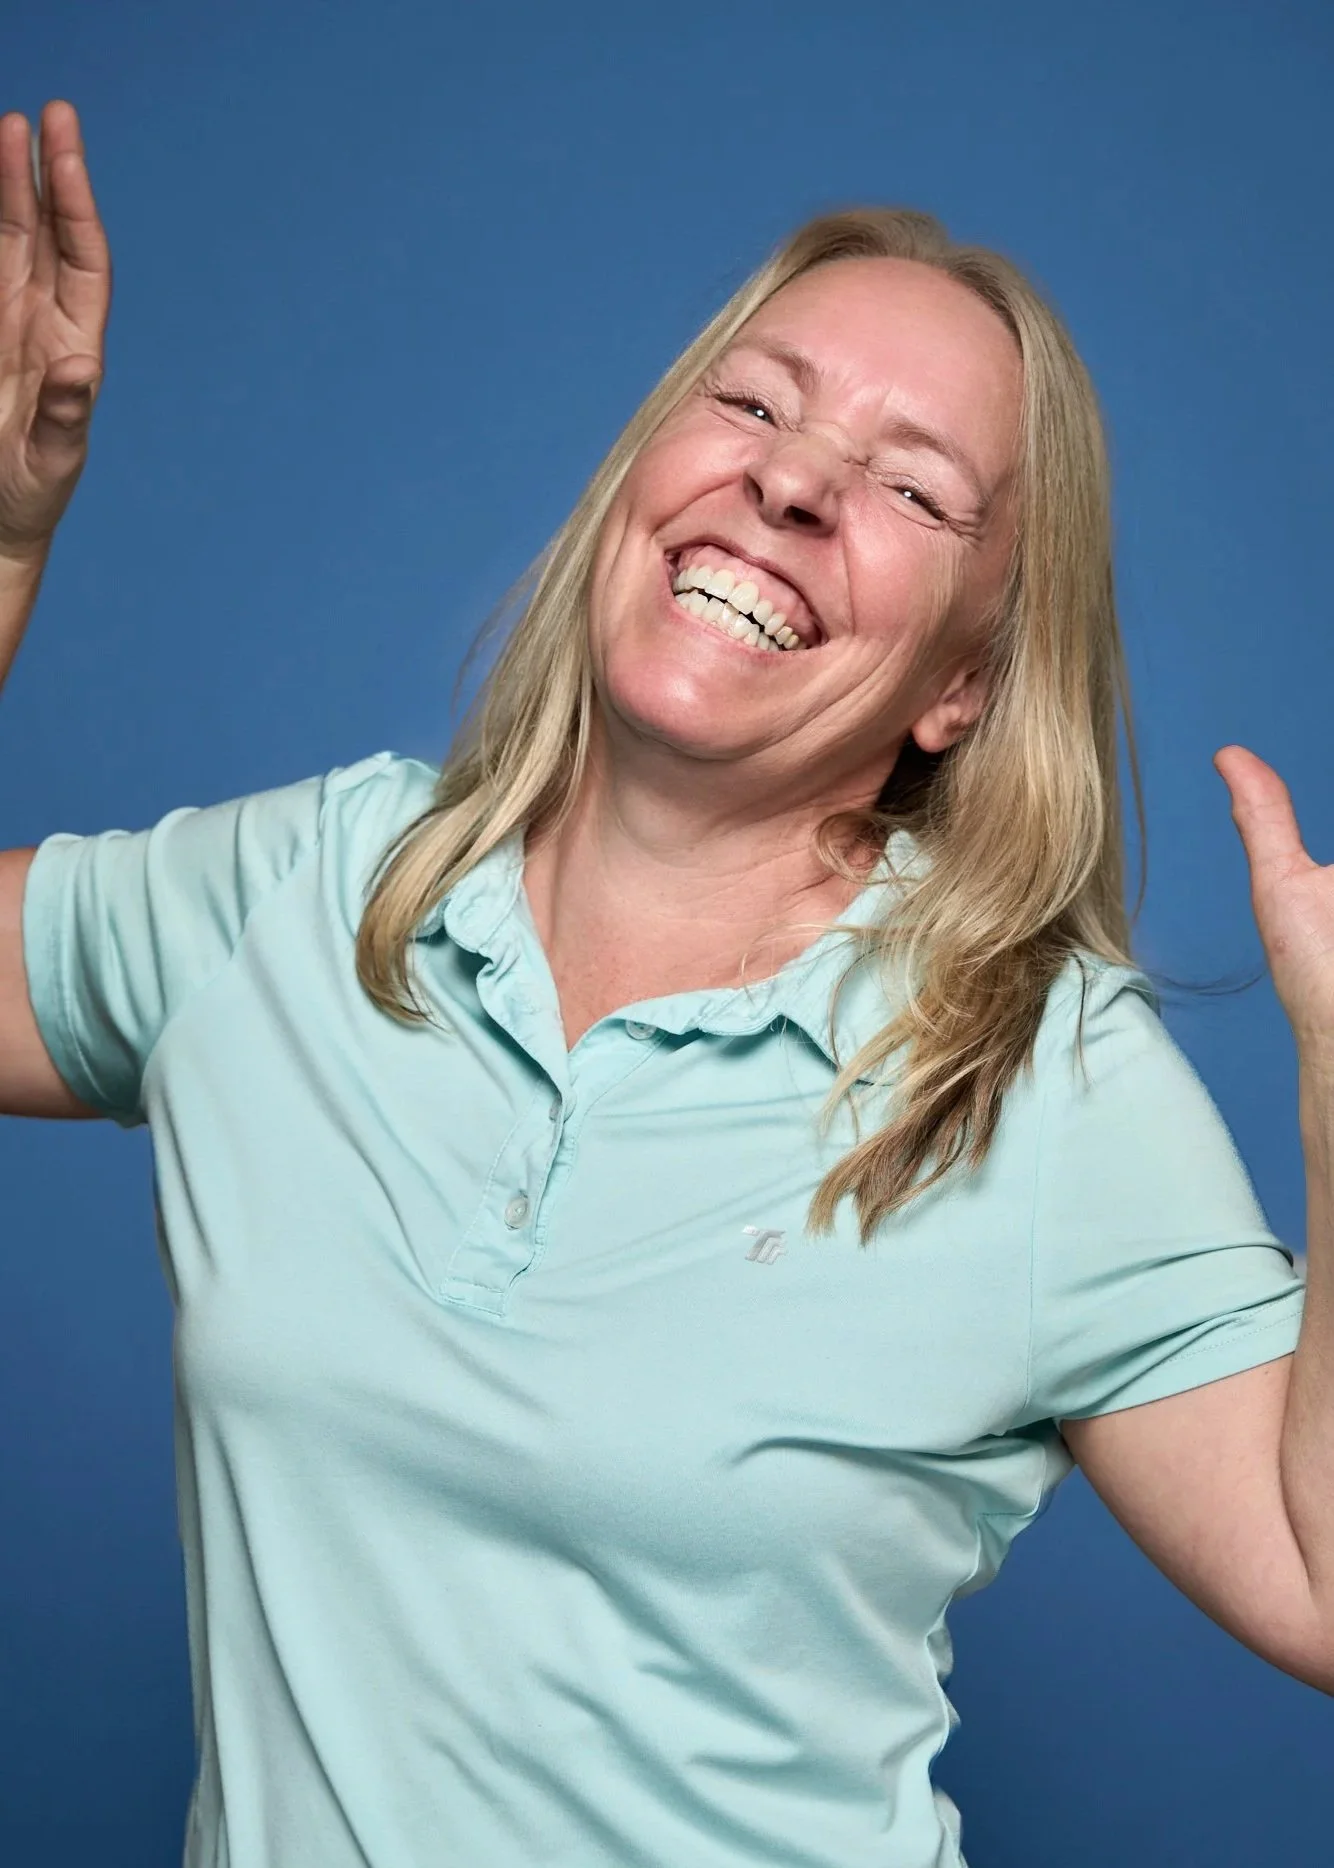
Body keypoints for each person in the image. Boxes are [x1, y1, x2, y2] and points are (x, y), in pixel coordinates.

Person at [1, 97, 1331, 1868]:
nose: (792, 479)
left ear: (958, 689)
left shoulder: (1027, 1068)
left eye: (913, 486)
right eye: (753, 402)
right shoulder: (315, 891)